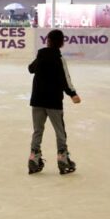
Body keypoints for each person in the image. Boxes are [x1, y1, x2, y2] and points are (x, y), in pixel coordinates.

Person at [28, 29, 81, 175]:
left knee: (38, 130)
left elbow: (30, 69)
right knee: (60, 131)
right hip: (53, 101)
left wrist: (39, 62)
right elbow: (65, 79)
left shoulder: (41, 54)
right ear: (62, 42)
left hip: (37, 99)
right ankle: (63, 159)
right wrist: (73, 94)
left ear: (48, 40)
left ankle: (34, 158)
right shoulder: (59, 58)